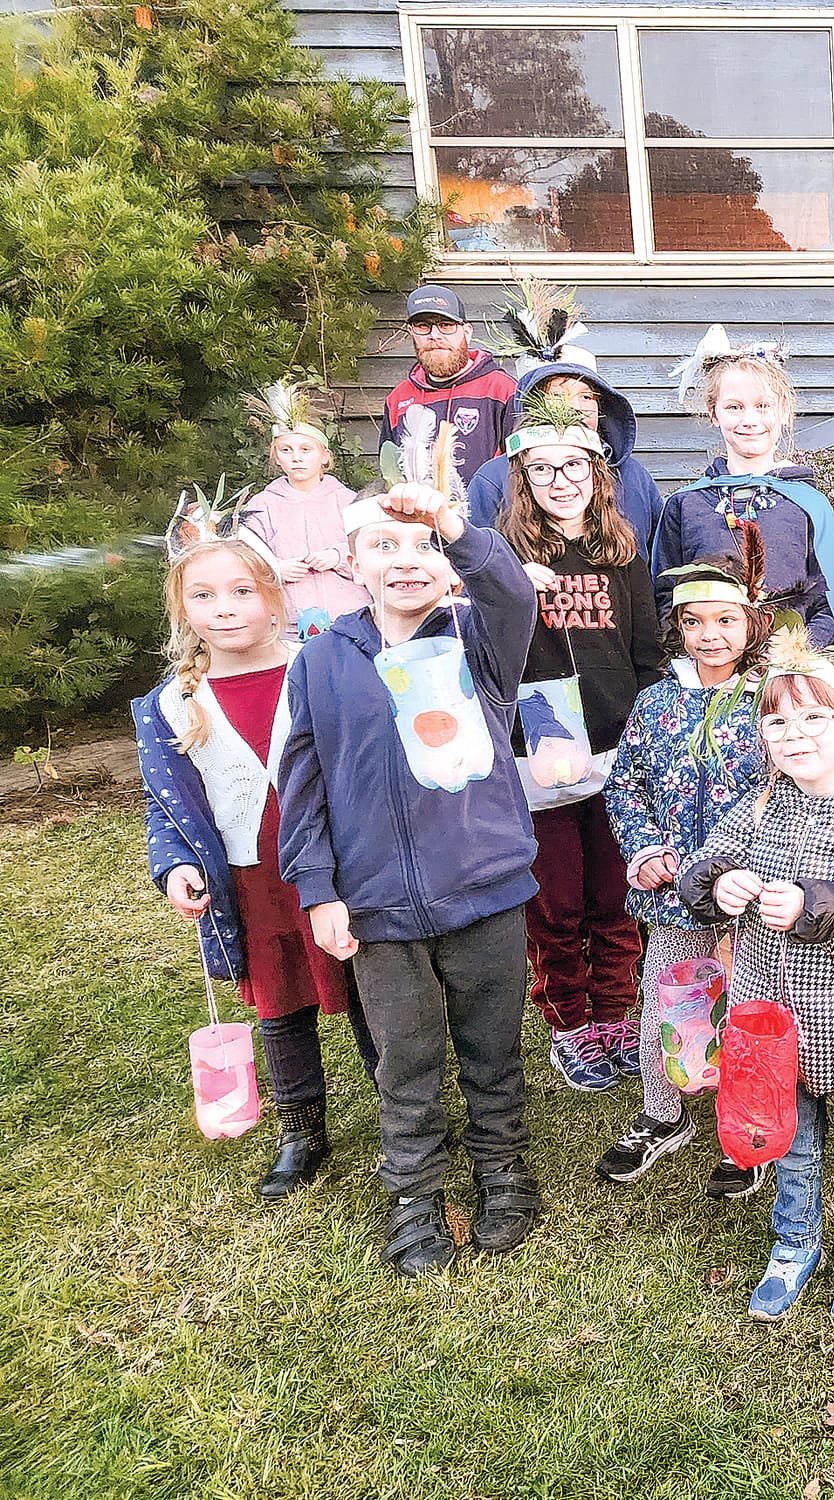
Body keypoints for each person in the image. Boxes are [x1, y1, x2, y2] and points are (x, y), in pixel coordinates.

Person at [277, 480, 542, 1277]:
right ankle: (414, 1194)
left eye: (422, 547)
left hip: (485, 888)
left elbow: (508, 587)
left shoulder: (479, 639)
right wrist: (318, 888)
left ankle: (503, 1170)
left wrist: (451, 523)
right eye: (383, 546)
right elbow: (303, 782)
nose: (405, 561)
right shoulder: (320, 662)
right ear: (352, 563)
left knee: (491, 1047)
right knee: (406, 1056)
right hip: (378, 905)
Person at [678, 631, 834, 1325]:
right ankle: (795, 1244)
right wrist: (718, 882)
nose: (795, 735)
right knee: (788, 1141)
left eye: (814, 717)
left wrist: (819, 907)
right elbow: (705, 858)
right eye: (778, 721)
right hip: (773, 1024)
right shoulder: (762, 805)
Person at [134, 509, 374, 1200]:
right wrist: (175, 864)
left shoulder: (321, 667)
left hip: (339, 869)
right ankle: (301, 1127)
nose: (225, 608)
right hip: (251, 879)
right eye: (203, 596)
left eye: (242, 591)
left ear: (275, 595)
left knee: (367, 991)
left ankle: (402, 1109)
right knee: (280, 1005)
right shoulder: (173, 703)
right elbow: (167, 805)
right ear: (181, 609)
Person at [495, 390, 663, 1093]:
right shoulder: (503, 558)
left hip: (615, 750)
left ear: (597, 473)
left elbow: (646, 650)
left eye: (575, 467)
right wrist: (503, 586)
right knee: (557, 903)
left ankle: (619, 1013)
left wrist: (648, 728)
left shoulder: (619, 555)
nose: (561, 481)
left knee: (615, 894)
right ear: (523, 483)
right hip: (542, 755)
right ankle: (571, 1021)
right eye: (543, 470)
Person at [597, 545, 771, 1198]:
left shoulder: (769, 700)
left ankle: (748, 1125)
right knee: (669, 1001)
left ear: (751, 622)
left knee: (748, 1006)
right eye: (694, 621)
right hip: (674, 895)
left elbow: (795, 789)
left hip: (751, 897)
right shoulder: (655, 704)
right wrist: (645, 851)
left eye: (724, 620)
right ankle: (662, 1114)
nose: (709, 635)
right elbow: (625, 788)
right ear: (678, 626)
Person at [658, 325, 834, 646]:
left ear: (784, 411)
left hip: (788, 678)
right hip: (710, 675)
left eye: (763, 406)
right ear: (714, 413)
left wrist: (796, 657)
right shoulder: (686, 505)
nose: (749, 419)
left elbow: (832, 607)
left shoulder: (808, 505)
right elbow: (665, 595)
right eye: (734, 407)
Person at [467, 332, 672, 619]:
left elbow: (658, 566)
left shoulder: (634, 476)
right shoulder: (493, 478)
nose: (575, 407)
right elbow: (477, 567)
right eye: (558, 396)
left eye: (586, 396)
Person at [240, 379, 370, 639]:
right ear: (276, 457)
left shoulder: (348, 501)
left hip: (350, 618)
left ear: (324, 456)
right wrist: (275, 568)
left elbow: (371, 547)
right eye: (286, 450)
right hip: (287, 624)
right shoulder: (262, 506)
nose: (296, 457)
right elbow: (245, 557)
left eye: (305, 450)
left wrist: (337, 557)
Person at [379, 285, 518, 494]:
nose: (434, 335)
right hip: (419, 521)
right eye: (423, 326)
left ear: (467, 332)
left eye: (446, 325)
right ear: (411, 333)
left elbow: (520, 467)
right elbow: (391, 473)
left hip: (485, 520)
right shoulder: (398, 399)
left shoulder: (501, 389)